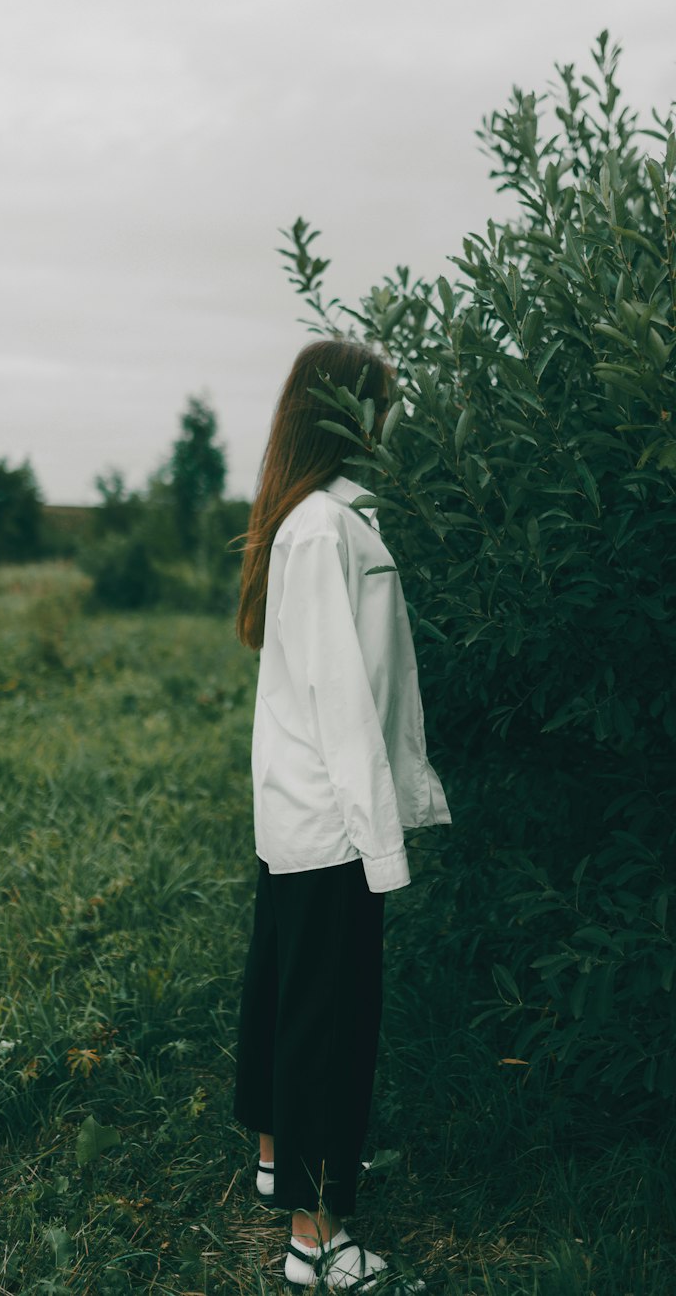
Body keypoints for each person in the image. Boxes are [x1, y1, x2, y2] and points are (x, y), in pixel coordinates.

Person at [232, 337, 451, 1291]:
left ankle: (284, 1162)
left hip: (305, 814)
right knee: (329, 1019)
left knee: (288, 995)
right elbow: (343, 699)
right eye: (383, 402)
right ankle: (315, 1242)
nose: (393, 419)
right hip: (331, 821)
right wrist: (382, 841)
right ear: (343, 414)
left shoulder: (324, 519)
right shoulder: (322, 528)